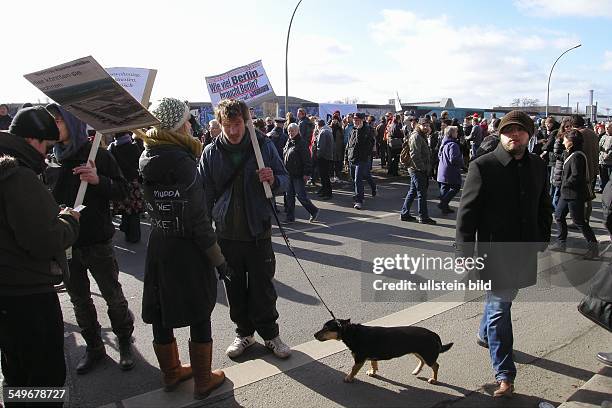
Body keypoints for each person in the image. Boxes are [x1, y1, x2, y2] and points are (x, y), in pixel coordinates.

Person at [456, 110, 552, 398]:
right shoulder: (483, 166)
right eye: (508, 130)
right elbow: (467, 212)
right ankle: (505, 375)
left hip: (523, 250)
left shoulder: (537, 164)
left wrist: (542, 236)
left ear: (529, 135)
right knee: (501, 307)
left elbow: (543, 203)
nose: (514, 135)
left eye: (520, 131)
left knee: (501, 303)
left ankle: (485, 334)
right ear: (499, 133)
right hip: (494, 252)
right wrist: (464, 251)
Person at [139, 97, 227, 399]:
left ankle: (171, 373)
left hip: (160, 243)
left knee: (162, 309)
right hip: (188, 249)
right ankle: (203, 380)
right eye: (188, 120)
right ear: (178, 125)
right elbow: (198, 220)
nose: (191, 125)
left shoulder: (147, 156)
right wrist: (218, 260)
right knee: (200, 310)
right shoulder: (184, 162)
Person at [45, 104, 135, 374]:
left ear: (71, 123)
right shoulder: (52, 158)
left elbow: (124, 191)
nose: (53, 126)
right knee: (80, 300)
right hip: (67, 244)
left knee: (113, 296)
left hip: (98, 241)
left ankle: (124, 340)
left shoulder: (98, 155)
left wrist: (98, 180)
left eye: (58, 121)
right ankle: (94, 347)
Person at [198, 99, 291, 359]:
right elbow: (205, 194)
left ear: (246, 121)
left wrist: (273, 179)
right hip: (226, 232)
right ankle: (244, 334)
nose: (233, 130)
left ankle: (271, 335)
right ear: (219, 123)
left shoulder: (263, 145)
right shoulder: (211, 152)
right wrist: (204, 229)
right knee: (233, 288)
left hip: (258, 229)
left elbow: (285, 179)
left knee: (263, 287)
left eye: (237, 124)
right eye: (227, 125)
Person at [0, 107, 80, 402]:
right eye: (47, 147)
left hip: (8, 295)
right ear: (33, 140)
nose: (47, 155)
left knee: (17, 370)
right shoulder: (18, 176)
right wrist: (69, 221)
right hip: (28, 295)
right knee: (44, 374)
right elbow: (45, 240)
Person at [549, 130, 599, 259]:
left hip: (574, 194)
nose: (563, 141)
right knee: (559, 215)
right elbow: (562, 158)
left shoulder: (577, 156)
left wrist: (565, 184)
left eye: (565, 139)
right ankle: (561, 242)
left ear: (571, 142)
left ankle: (593, 248)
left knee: (579, 221)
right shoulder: (570, 153)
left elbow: (577, 176)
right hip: (566, 193)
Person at [107, 132, 144, 243]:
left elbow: (110, 166)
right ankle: (134, 236)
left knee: (124, 209)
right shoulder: (134, 147)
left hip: (120, 183)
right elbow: (139, 164)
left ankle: (126, 228)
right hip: (133, 183)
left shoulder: (112, 148)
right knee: (134, 211)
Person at [400, 117, 436, 224]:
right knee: (422, 193)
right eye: (424, 125)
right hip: (417, 169)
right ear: (419, 125)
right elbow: (415, 155)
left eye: (428, 125)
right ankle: (423, 217)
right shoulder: (416, 136)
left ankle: (404, 213)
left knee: (413, 191)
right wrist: (422, 168)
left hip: (417, 168)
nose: (426, 127)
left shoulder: (421, 135)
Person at [283, 122, 319, 223]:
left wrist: (307, 173)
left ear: (298, 131)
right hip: (289, 173)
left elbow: (307, 160)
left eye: (293, 131)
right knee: (289, 196)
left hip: (298, 174)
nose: (290, 133)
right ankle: (290, 217)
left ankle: (314, 211)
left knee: (301, 196)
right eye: (289, 131)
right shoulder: (289, 141)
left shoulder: (301, 143)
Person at [345, 112, 376, 210]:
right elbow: (349, 145)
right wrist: (346, 158)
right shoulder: (352, 130)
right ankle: (372, 187)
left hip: (361, 159)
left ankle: (359, 200)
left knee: (358, 179)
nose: (355, 121)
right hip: (352, 158)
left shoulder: (367, 130)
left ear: (362, 120)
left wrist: (359, 131)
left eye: (357, 120)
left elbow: (368, 144)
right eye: (354, 119)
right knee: (358, 178)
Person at [437, 126, 464, 214]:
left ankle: (445, 207)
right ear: (452, 133)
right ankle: (443, 203)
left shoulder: (444, 143)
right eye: (456, 132)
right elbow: (454, 159)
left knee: (445, 188)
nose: (457, 133)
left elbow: (439, 155)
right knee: (456, 187)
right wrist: (462, 164)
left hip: (442, 168)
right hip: (450, 170)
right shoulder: (453, 145)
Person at [315, 119, 334, 199]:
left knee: (324, 176)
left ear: (318, 125)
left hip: (323, 157)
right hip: (328, 156)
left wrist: (317, 156)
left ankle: (328, 193)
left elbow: (321, 147)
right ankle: (324, 191)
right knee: (325, 176)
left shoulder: (323, 132)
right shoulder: (328, 131)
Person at [598, 122, 612, 192]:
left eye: (609, 127)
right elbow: (599, 147)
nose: (606, 128)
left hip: (609, 163)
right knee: (603, 178)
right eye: (606, 127)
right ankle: (603, 190)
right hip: (602, 162)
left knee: (609, 180)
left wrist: (606, 156)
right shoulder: (603, 136)